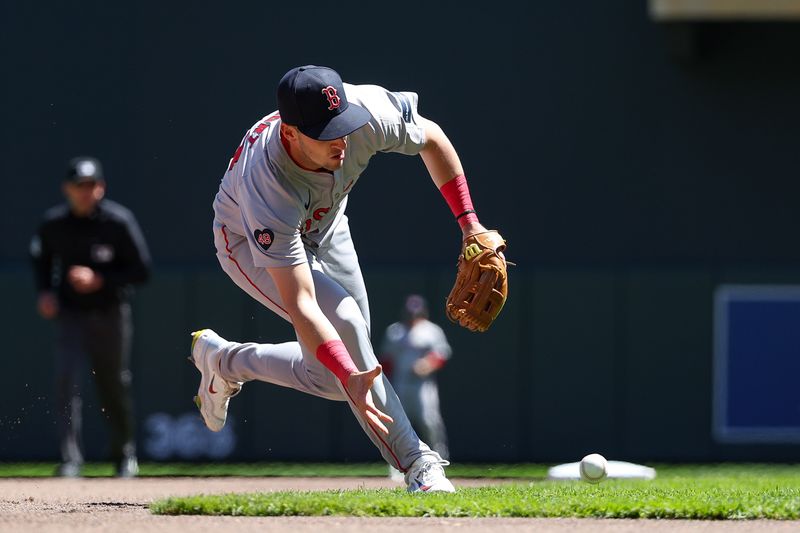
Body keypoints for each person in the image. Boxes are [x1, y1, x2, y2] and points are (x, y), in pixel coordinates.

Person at [190, 65, 501, 492]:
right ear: (291, 133)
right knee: (347, 334)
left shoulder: (366, 113)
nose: (341, 138)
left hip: (327, 225)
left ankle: (225, 361)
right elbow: (301, 304)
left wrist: (470, 224)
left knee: (335, 378)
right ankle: (418, 465)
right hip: (248, 243)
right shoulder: (267, 184)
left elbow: (433, 138)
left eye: (343, 124)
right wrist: (348, 371)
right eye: (325, 131)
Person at [30, 157, 151, 478]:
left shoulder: (118, 222)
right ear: (66, 189)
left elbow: (141, 270)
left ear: (101, 187)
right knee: (66, 381)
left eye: (91, 185)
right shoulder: (53, 225)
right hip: (71, 315)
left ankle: (124, 454)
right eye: (79, 186)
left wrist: (100, 279)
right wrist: (45, 292)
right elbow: (41, 261)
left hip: (110, 313)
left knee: (113, 383)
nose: (86, 192)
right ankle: (71, 459)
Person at [380, 295, 452, 462]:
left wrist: (428, 364)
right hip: (400, 383)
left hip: (423, 384)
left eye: (416, 314)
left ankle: (440, 459)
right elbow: (386, 359)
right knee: (398, 423)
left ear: (423, 313)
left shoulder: (431, 331)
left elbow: (442, 354)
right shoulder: (395, 331)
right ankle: (397, 463)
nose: (413, 317)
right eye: (410, 314)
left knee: (429, 420)